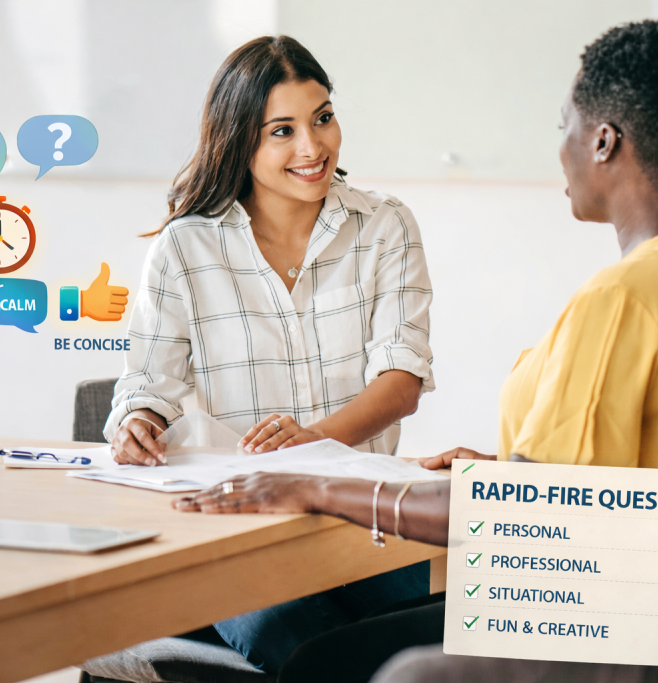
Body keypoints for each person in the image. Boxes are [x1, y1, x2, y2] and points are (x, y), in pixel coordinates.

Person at [173, 19, 658, 680]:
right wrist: (500, 467)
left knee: (312, 655)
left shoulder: (624, 298)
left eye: (566, 127)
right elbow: (635, 477)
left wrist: (314, 483)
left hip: (610, 639)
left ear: (604, 140)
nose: (562, 151)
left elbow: (525, 511)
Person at [100, 35, 436, 674]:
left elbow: (401, 380)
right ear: (239, 141)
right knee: (299, 637)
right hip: (238, 538)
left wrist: (309, 447)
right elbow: (145, 385)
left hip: (364, 527)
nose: (313, 147)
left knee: (449, 613)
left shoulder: (385, 225)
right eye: (282, 130)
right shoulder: (184, 248)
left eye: (323, 118)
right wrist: (137, 423)